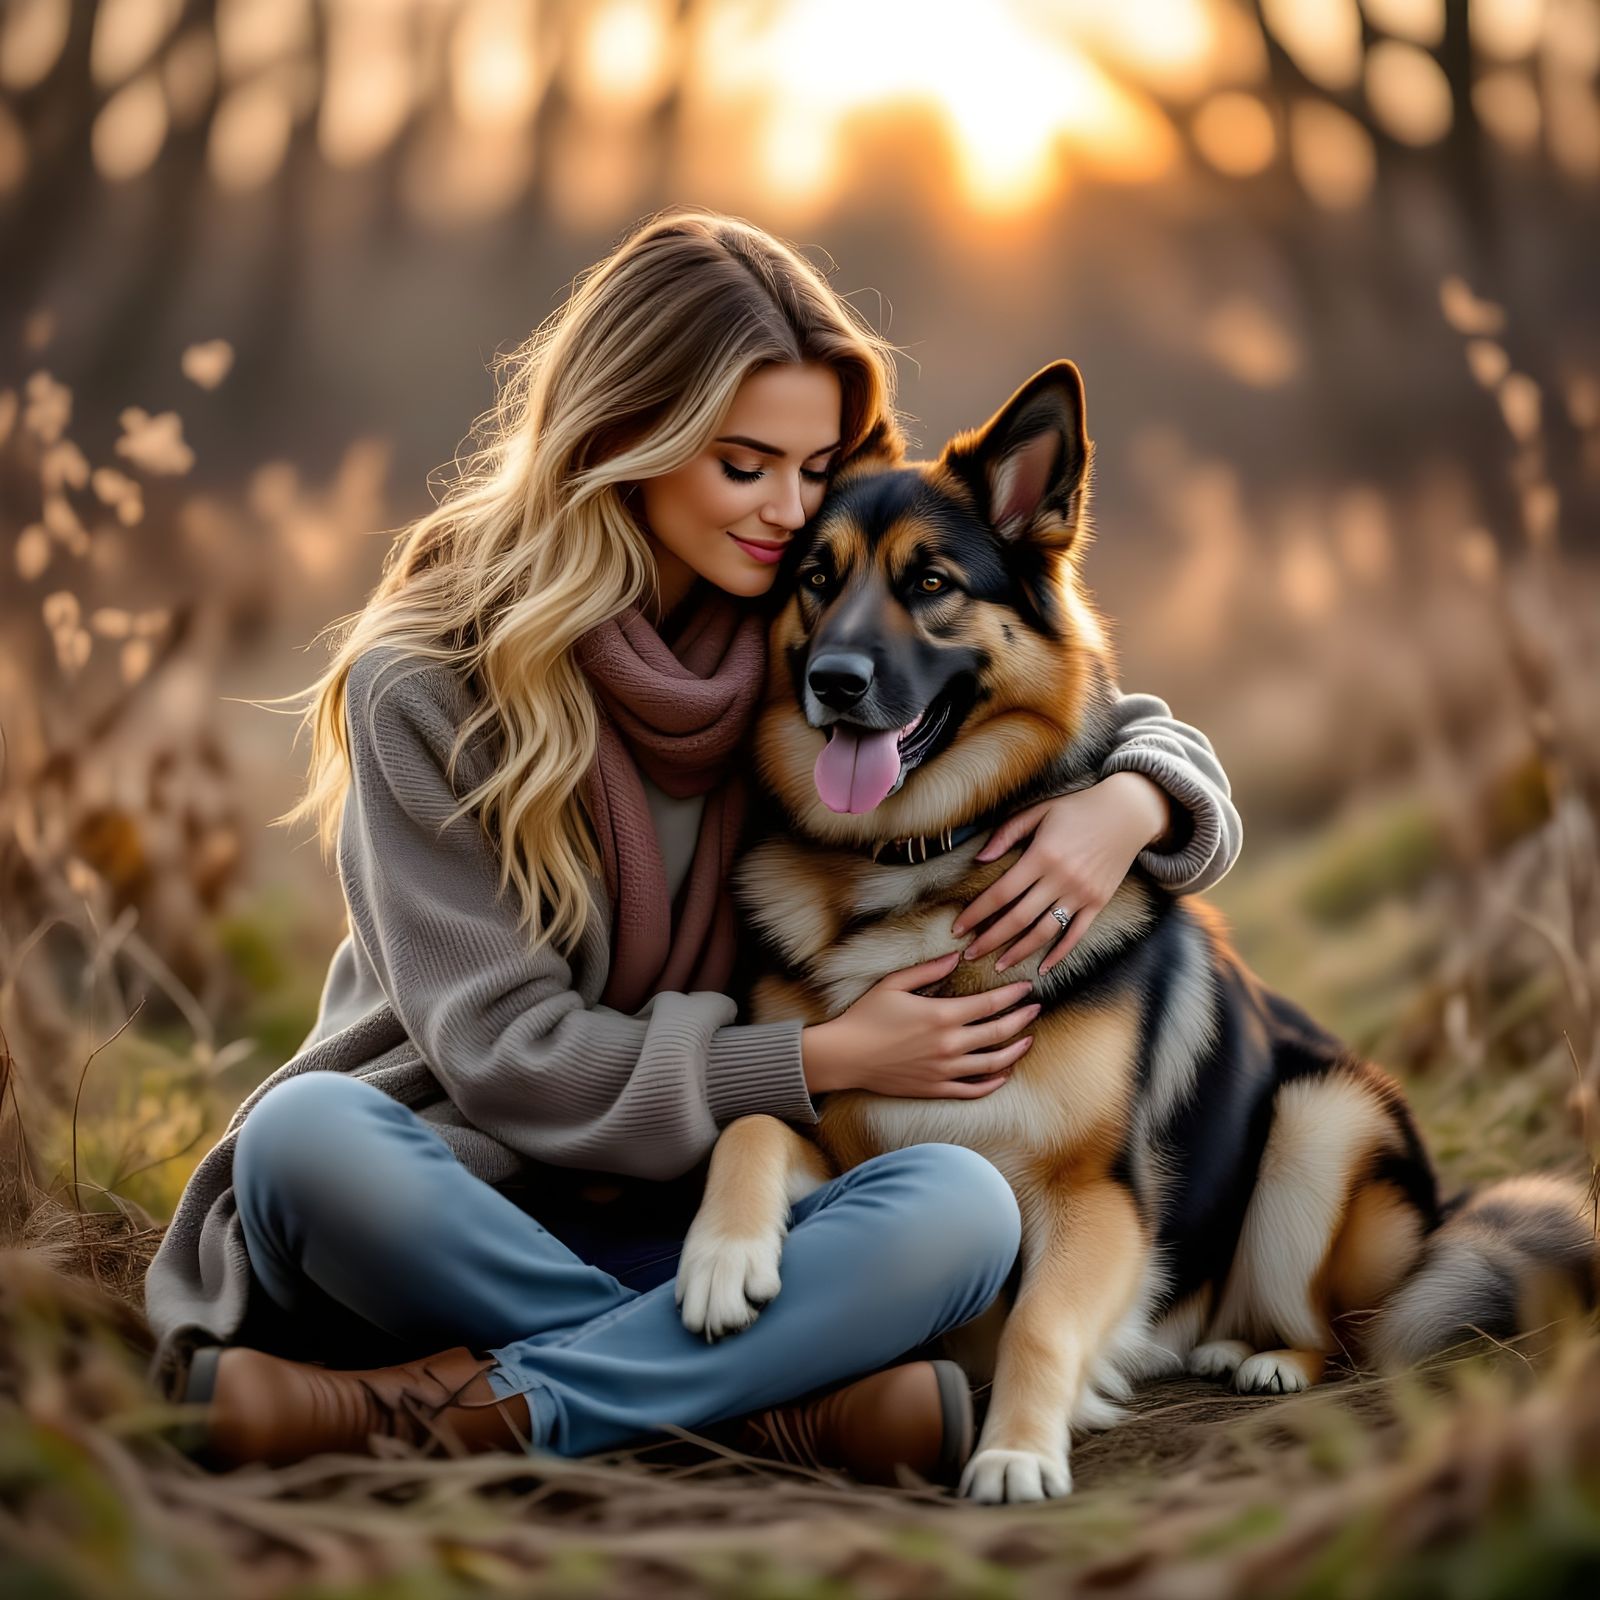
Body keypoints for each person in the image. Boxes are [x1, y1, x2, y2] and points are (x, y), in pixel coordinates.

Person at [144, 209, 1242, 1488]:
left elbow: (1080, 699)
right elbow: (505, 1058)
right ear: (625, 439)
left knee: (959, 1209)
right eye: (743, 465)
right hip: (458, 1196)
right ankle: (788, 1410)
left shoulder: (794, 643)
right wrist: (820, 1055)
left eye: (815, 463)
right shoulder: (428, 682)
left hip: (709, 1223)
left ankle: (445, 1407)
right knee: (300, 1139)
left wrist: (1133, 806)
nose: (790, 508)